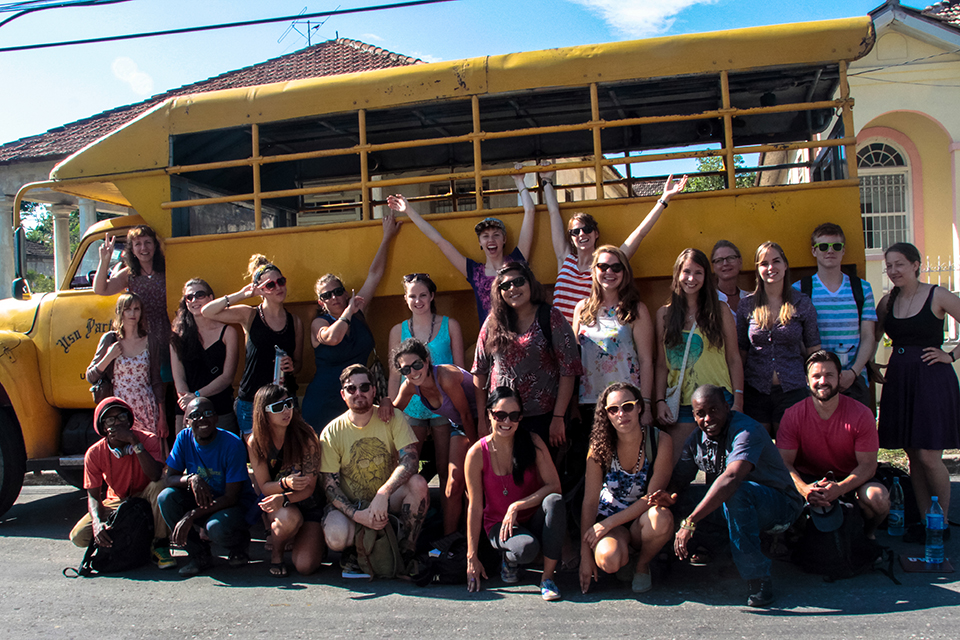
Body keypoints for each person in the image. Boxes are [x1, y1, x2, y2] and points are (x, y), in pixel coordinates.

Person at [672, 385, 803, 608]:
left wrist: (690, 521)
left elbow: (732, 478)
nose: (707, 418)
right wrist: (667, 498)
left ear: (727, 407)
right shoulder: (696, 440)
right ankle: (710, 552)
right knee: (682, 499)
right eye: (700, 413)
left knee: (737, 492)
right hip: (739, 506)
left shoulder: (745, 430)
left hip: (780, 507)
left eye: (714, 410)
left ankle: (758, 579)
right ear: (693, 416)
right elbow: (678, 481)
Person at [875, 241, 960, 541]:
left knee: (928, 454)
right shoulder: (888, 302)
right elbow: (870, 336)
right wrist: (871, 364)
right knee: (912, 454)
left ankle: (943, 523)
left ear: (915, 264)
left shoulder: (938, 295)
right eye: (889, 266)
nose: (894, 270)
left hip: (932, 381)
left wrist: (950, 355)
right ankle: (925, 522)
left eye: (899, 264)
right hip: (899, 379)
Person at [386, 165, 536, 325]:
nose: (491, 240)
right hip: (492, 343)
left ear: (504, 239)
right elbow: (439, 241)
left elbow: (530, 212)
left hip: (520, 338)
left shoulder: (516, 262)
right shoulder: (474, 271)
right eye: (485, 236)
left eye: (496, 235)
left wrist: (520, 181)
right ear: (480, 242)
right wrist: (409, 210)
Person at [541, 161, 688, 324]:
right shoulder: (565, 259)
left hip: (586, 337)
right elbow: (553, 213)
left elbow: (639, 233)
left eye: (587, 229)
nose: (582, 234)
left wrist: (664, 199)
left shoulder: (606, 266)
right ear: (571, 238)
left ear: (596, 234)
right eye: (575, 232)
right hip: (557, 337)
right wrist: (546, 181)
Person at [319, 364, 429, 577]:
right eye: (351, 389)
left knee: (418, 484)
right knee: (336, 536)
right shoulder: (332, 432)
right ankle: (354, 552)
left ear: (373, 390)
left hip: (385, 501)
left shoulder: (392, 418)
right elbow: (329, 486)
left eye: (364, 387)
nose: (358, 393)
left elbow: (411, 460)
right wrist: (357, 515)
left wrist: (383, 492)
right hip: (352, 505)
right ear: (343, 394)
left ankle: (405, 552)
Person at [301, 212, 400, 432]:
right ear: (321, 302)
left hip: (358, 399)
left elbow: (375, 275)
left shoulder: (357, 310)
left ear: (345, 292)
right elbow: (333, 337)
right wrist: (349, 310)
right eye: (327, 296)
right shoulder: (319, 322)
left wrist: (387, 237)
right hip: (324, 402)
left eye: (337, 291)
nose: (334, 297)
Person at [464, 387, 565, 601]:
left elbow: (554, 486)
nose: (506, 421)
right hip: (498, 524)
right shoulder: (476, 453)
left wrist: (517, 505)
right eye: (500, 415)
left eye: (514, 416)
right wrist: (471, 556)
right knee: (526, 549)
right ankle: (509, 560)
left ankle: (547, 579)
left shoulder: (532, 441)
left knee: (555, 502)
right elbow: (474, 506)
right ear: (489, 414)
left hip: (531, 516)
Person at [777, 351, 889, 539]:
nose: (823, 381)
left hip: (850, 478)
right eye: (816, 376)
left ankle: (867, 536)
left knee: (877, 498)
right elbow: (783, 464)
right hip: (808, 479)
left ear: (839, 377)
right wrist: (805, 490)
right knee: (771, 493)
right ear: (806, 380)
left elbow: (868, 466)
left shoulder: (861, 414)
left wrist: (840, 488)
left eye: (829, 375)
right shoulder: (792, 414)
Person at [472, 262, 582, 448]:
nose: (512, 288)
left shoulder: (551, 317)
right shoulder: (493, 322)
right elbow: (479, 369)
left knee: (542, 473)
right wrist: (483, 418)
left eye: (518, 282)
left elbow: (569, 369)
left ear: (530, 283)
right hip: (502, 417)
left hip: (543, 418)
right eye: (505, 286)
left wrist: (558, 417)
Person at [579, 383, 674, 595]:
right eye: (613, 409)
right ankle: (625, 559)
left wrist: (606, 524)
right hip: (611, 521)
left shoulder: (660, 441)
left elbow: (651, 497)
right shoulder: (599, 447)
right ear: (607, 415)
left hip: (641, 520)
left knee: (661, 517)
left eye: (628, 406)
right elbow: (590, 501)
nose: (621, 414)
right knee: (609, 561)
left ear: (639, 407)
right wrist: (585, 557)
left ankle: (642, 565)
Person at [655, 248, 743, 461]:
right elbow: (661, 364)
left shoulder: (720, 311)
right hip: (682, 404)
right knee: (678, 467)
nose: (691, 278)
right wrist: (658, 401)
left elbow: (733, 358)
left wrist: (738, 401)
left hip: (720, 401)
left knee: (721, 469)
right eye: (686, 272)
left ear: (706, 277)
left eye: (698, 272)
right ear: (677, 275)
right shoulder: (664, 314)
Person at [387, 273, 465, 508]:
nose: (418, 301)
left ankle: (444, 521)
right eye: (412, 296)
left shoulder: (450, 325)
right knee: (406, 466)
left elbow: (460, 370)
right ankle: (408, 515)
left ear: (432, 296)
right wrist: (391, 409)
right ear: (405, 299)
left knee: (444, 467)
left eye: (423, 295)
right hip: (411, 406)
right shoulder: (397, 330)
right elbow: (393, 375)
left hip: (444, 406)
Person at [68, 396, 174, 570]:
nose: (117, 423)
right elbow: (93, 496)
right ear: (103, 427)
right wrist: (96, 523)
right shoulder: (94, 453)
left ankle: (160, 543)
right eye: (110, 419)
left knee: (160, 485)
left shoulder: (148, 439)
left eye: (122, 417)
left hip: (146, 496)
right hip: (117, 501)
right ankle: (130, 542)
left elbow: (155, 475)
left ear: (129, 420)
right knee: (78, 536)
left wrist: (135, 442)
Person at [201, 255, 302, 435]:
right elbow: (207, 311)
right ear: (260, 290)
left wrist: (292, 366)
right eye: (270, 285)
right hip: (251, 400)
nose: (278, 287)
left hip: (283, 400)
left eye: (281, 281)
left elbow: (299, 363)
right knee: (256, 456)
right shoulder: (250, 315)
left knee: (285, 455)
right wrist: (242, 294)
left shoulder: (295, 321)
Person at [158, 396, 257, 577]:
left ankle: (239, 545)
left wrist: (191, 515)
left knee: (216, 528)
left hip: (231, 506)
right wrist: (190, 479)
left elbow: (231, 497)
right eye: (195, 415)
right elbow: (169, 478)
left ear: (216, 418)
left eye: (208, 413)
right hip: (203, 500)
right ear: (187, 422)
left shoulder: (232, 444)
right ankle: (199, 555)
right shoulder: (183, 438)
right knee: (166, 497)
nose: (202, 419)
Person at [391, 338, 476, 536]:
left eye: (417, 365)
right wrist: (384, 405)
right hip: (460, 425)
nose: (413, 372)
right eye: (406, 370)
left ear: (427, 361)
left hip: (482, 420)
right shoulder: (410, 386)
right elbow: (394, 412)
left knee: (475, 480)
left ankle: (475, 536)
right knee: (453, 484)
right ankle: (449, 540)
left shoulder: (444, 376)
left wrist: (477, 450)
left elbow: (467, 414)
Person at [737, 242, 820, 436]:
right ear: (758, 269)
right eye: (764, 263)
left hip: (793, 389)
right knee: (759, 452)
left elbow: (814, 350)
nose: (770, 268)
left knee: (789, 452)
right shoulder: (747, 305)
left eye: (776, 261)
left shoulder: (802, 303)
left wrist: (815, 387)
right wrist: (738, 393)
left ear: (785, 265)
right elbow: (740, 352)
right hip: (755, 391)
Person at [792, 223, 877, 408]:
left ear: (843, 250)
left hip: (854, 381)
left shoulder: (862, 289)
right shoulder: (799, 290)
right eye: (823, 246)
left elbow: (869, 336)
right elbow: (795, 338)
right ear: (814, 251)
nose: (830, 251)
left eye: (836, 246)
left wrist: (853, 373)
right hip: (816, 384)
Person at [247, 385, 325, 577]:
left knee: (305, 566)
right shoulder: (255, 442)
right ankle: (277, 553)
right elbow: (264, 486)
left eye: (288, 404)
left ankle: (309, 540)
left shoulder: (306, 437)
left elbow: (310, 488)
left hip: (308, 504)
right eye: (277, 407)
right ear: (263, 413)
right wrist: (285, 484)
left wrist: (284, 498)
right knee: (289, 519)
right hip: (280, 504)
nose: (286, 411)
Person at [573, 245, 654, 428]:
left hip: (625, 404)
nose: (609, 272)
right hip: (589, 402)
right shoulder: (582, 309)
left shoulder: (636, 309)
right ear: (594, 271)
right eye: (603, 267)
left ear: (624, 273)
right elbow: (574, 360)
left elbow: (646, 360)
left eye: (616, 267)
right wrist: (572, 405)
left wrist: (647, 405)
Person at [94, 225, 172, 377]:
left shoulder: (167, 269)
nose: (144, 248)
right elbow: (100, 289)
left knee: (170, 381)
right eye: (138, 244)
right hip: (141, 336)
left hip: (169, 332)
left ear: (155, 245)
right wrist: (105, 260)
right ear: (132, 249)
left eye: (147, 242)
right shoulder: (129, 274)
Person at [87, 292, 166, 439]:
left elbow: (156, 379)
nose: (132, 313)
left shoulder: (150, 341)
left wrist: (163, 417)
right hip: (119, 409)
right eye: (127, 309)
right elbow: (90, 376)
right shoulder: (110, 339)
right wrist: (109, 357)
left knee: (149, 452)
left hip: (146, 406)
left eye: (136, 309)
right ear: (120, 312)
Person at [169, 278, 239, 434]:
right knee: (187, 457)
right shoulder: (177, 336)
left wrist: (196, 396)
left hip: (220, 409)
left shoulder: (228, 333)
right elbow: (179, 378)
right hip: (187, 411)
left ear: (211, 298)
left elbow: (227, 377)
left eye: (199, 294)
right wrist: (188, 403)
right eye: (189, 297)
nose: (194, 300)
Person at [711, 240, 748, 318]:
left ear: (740, 262)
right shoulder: (709, 299)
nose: (725, 263)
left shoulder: (749, 298)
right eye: (719, 260)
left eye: (730, 258)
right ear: (713, 267)